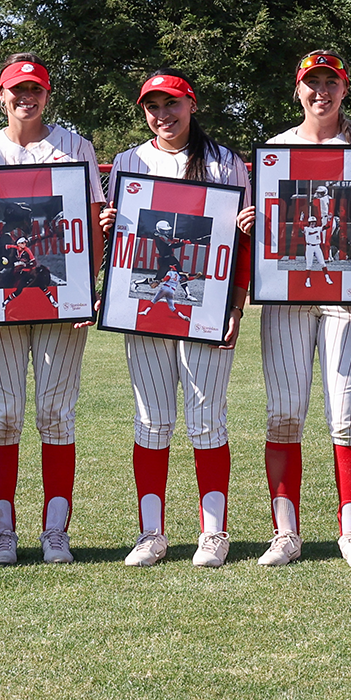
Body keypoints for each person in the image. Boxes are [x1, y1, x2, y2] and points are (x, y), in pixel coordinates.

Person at [0, 54, 107, 565]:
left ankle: (54, 531)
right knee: (1, 416)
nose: (26, 97)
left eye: (35, 89)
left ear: (47, 94)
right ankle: (3, 532)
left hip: (60, 295)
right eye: (17, 89)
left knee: (55, 415)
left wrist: (85, 289)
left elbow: (92, 225)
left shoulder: (75, 147)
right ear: (1, 94)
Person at [100, 71, 253, 567]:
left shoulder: (224, 161)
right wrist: (108, 221)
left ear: (191, 104)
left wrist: (235, 305)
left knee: (206, 419)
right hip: (142, 304)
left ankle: (214, 532)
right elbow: (116, 240)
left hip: (207, 301)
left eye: (172, 105)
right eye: (152, 106)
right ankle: (151, 533)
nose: (162, 115)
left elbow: (243, 243)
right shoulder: (127, 161)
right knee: (152, 420)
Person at [254, 51, 351, 568]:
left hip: (346, 299)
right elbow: (265, 225)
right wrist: (252, 225)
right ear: (297, 90)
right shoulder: (274, 150)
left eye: (330, 83)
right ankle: (285, 532)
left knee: (347, 417)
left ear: (344, 90)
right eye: (311, 83)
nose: (321, 92)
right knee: (284, 414)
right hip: (287, 299)